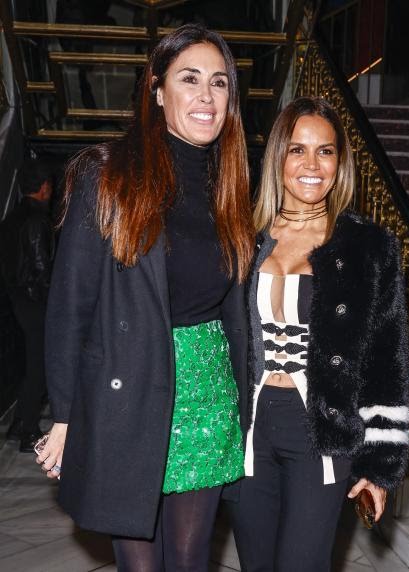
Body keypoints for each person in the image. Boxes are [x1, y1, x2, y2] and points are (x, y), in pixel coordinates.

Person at [35, 24, 254, 571]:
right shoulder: (108, 176)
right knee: (139, 564)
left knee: (189, 557)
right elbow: (70, 303)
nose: (206, 96)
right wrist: (65, 414)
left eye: (219, 82)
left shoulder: (229, 185)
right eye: (189, 79)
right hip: (127, 387)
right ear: (157, 90)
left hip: (206, 391)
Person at [226, 96, 409, 572]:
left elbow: (386, 363)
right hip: (246, 430)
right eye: (298, 150)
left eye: (325, 151)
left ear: (339, 163)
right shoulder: (241, 236)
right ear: (278, 157)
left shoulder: (368, 247)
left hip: (321, 431)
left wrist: (379, 467)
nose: (312, 165)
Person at [0, 160, 54, 452]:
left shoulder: (11, 219)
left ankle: (20, 423)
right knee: (39, 367)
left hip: (17, 299)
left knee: (30, 364)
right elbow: (41, 268)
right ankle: (28, 431)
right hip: (35, 303)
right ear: (44, 187)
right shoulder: (36, 221)